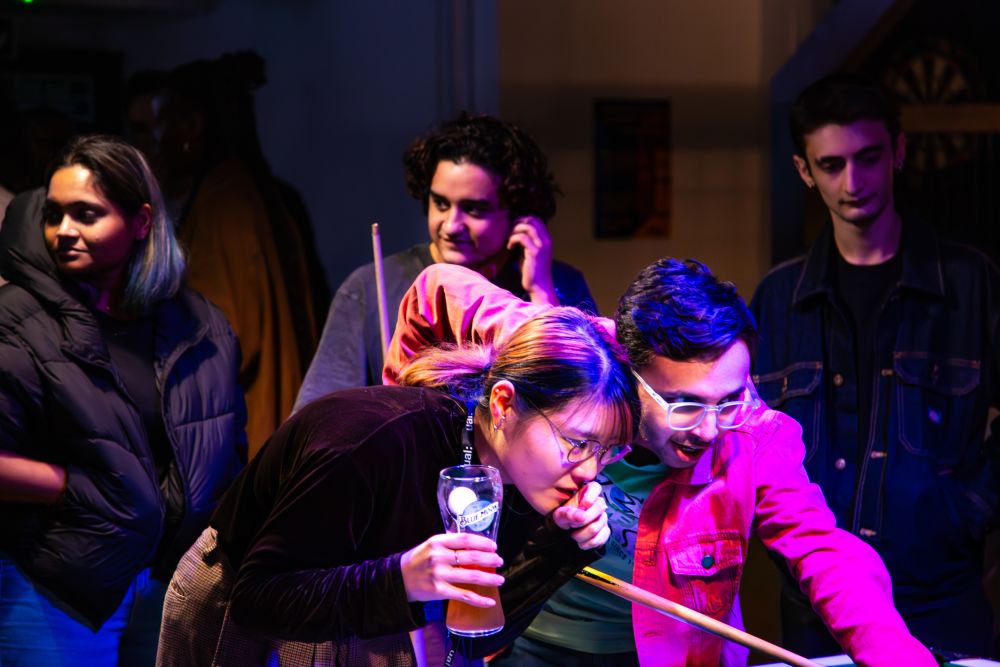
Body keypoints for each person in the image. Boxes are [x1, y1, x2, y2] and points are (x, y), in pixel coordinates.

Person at [383, 260, 936, 666]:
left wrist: (897, 657)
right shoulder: (568, 360)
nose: (710, 428)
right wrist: (416, 426)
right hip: (526, 649)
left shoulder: (752, 434)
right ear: (629, 371)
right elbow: (435, 289)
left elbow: (822, 548)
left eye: (730, 397)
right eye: (685, 405)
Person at [156, 305, 639, 667]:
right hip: (237, 592)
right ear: (505, 402)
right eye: (578, 443)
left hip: (367, 610)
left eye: (607, 451)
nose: (589, 471)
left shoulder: (528, 479)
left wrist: (560, 544)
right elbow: (257, 596)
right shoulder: (369, 443)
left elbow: (475, 639)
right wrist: (401, 578)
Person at [750, 74, 1000, 657]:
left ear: (899, 152)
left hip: (941, 596)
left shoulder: (971, 283)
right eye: (832, 165)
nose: (853, 182)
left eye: (868, 158)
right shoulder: (777, 299)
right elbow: (747, 435)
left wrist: (965, 511)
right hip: (817, 606)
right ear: (804, 170)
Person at [0, 134, 246, 666]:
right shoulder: (15, 319)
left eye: (86, 214)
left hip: (173, 581)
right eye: (54, 214)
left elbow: (229, 454)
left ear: (140, 222)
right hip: (59, 582)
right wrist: (70, 486)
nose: (64, 231)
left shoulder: (201, 326)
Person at [293, 112, 597, 411]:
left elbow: (586, 406)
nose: (451, 225)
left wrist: (541, 292)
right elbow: (319, 414)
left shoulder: (560, 284)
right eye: (440, 203)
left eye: (474, 209)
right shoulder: (369, 285)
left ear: (517, 212)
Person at [146, 51, 319, 457]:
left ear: (191, 126)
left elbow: (223, 333)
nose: (153, 142)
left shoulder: (226, 202)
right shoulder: (243, 190)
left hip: (250, 430)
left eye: (159, 124)